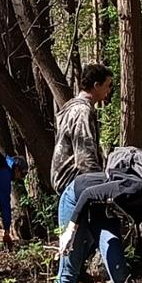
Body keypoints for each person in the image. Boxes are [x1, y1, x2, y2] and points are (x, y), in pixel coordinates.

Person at [49, 63, 113, 195]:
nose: (109, 90)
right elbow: (85, 159)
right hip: (71, 180)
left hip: (68, 179)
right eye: (107, 85)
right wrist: (103, 187)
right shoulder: (82, 111)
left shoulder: (75, 107)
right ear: (96, 86)